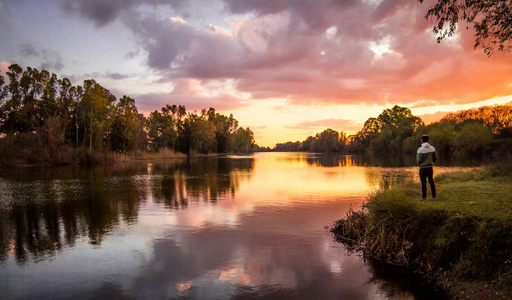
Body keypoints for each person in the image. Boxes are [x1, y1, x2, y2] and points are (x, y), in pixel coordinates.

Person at [416, 134, 437, 201]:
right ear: (428, 140)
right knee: (431, 181)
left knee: (423, 183)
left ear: (422, 141)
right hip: (430, 167)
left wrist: (420, 164)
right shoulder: (432, 148)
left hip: (422, 168)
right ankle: (434, 196)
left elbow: (419, 160)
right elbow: (435, 158)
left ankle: (424, 197)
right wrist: (431, 162)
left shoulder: (420, 149)